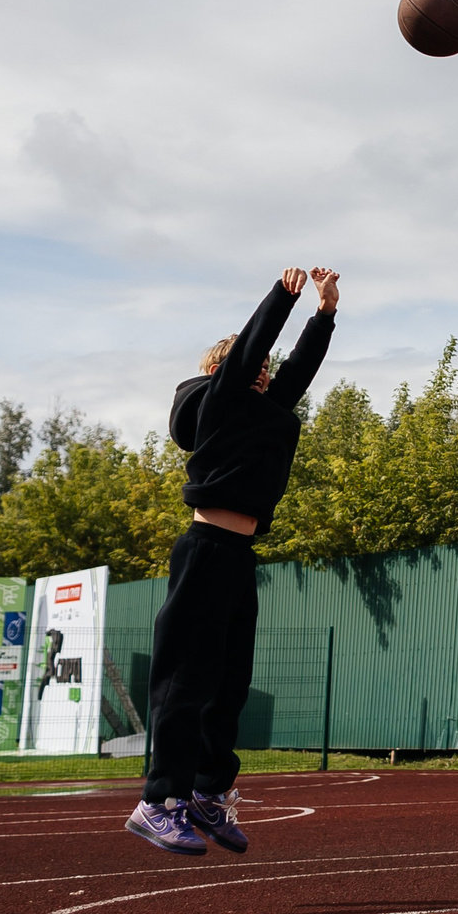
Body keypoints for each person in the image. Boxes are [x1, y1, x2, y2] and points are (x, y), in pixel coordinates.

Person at [128, 266, 338, 856]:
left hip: (240, 556)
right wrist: (282, 299)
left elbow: (297, 371)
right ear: (222, 373)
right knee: (185, 681)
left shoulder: (263, 412)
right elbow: (248, 354)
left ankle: (207, 791)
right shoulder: (219, 404)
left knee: (229, 683)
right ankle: (157, 801)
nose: (265, 371)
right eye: (254, 366)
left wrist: (324, 315)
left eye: (267, 368)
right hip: (203, 550)